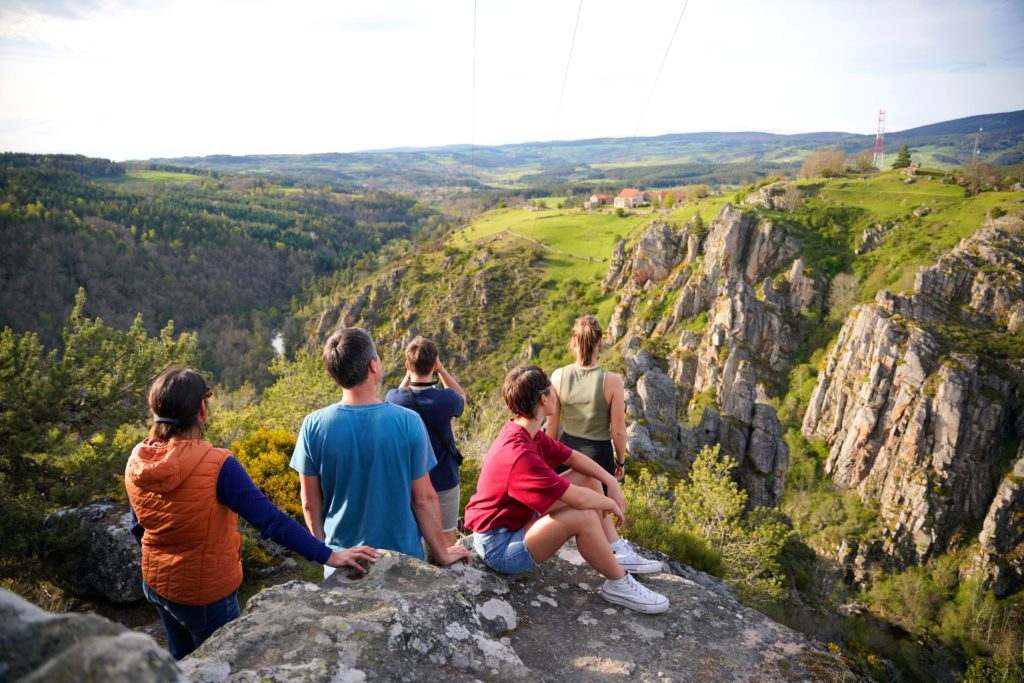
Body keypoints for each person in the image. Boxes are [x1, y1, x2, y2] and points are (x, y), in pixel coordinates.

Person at [125, 368, 381, 660]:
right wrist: (329, 555)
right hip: (206, 597)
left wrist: (163, 565)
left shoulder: (138, 460)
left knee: (181, 660)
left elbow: (138, 527)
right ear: (201, 410)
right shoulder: (218, 465)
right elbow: (271, 521)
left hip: (157, 585)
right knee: (225, 665)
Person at [464, 365, 669, 614]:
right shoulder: (519, 454)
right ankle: (619, 582)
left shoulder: (526, 433)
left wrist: (611, 482)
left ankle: (615, 549)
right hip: (499, 546)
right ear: (543, 399)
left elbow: (573, 458)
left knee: (588, 478)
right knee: (583, 516)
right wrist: (610, 504)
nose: (555, 392)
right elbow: (577, 499)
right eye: (551, 388)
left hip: (516, 523)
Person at [290, 327, 468, 573]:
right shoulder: (407, 422)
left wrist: (326, 554)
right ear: (373, 366)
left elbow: (310, 502)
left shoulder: (313, 425)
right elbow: (423, 498)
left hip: (343, 564)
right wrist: (442, 553)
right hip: (403, 561)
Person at [545, 315, 662, 574]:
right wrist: (620, 461)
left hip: (565, 451)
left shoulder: (558, 376)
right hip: (599, 453)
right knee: (601, 509)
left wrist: (549, 461)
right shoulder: (612, 381)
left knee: (576, 505)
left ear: (573, 343)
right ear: (600, 344)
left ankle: (607, 553)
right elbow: (618, 431)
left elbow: (551, 427)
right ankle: (616, 553)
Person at [385, 336, 466, 546]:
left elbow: (396, 393)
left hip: (411, 481)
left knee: (415, 537)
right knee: (447, 538)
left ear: (407, 365)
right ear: (434, 364)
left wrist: (408, 373)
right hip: (444, 479)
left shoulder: (395, 400)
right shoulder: (446, 400)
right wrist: (441, 370)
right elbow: (462, 397)